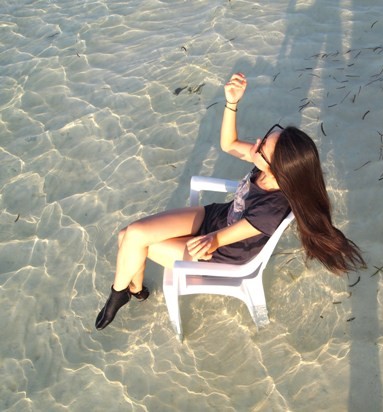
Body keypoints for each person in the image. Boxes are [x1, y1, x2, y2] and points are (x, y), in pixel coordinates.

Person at [95, 73, 365, 330]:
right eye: (265, 138)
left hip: (220, 253)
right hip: (215, 217)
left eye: (262, 148)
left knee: (131, 239)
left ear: (278, 169)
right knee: (129, 235)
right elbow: (229, 144)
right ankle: (133, 290)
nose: (256, 144)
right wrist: (232, 102)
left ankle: (120, 293)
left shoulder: (270, 210)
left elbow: (218, 240)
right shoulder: (268, 167)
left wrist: (206, 241)